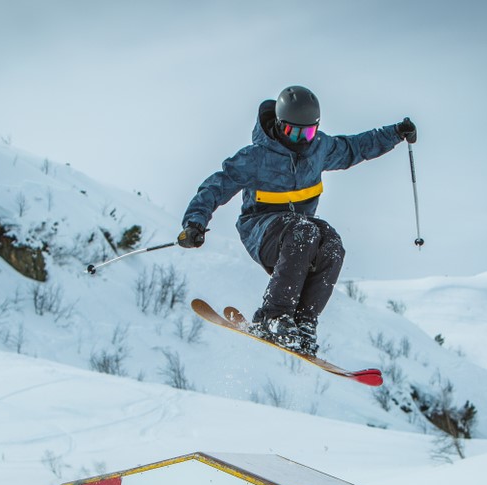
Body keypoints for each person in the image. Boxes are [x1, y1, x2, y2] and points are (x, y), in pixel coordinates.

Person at [177, 85, 417, 356]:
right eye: (294, 132)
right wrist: (195, 222)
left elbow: (356, 147)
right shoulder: (256, 157)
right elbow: (216, 186)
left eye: (309, 132)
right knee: (305, 231)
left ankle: (303, 322)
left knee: (332, 243)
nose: (302, 139)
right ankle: (273, 316)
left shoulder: (319, 149)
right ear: (280, 126)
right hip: (262, 230)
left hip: (298, 235)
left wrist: (396, 133)